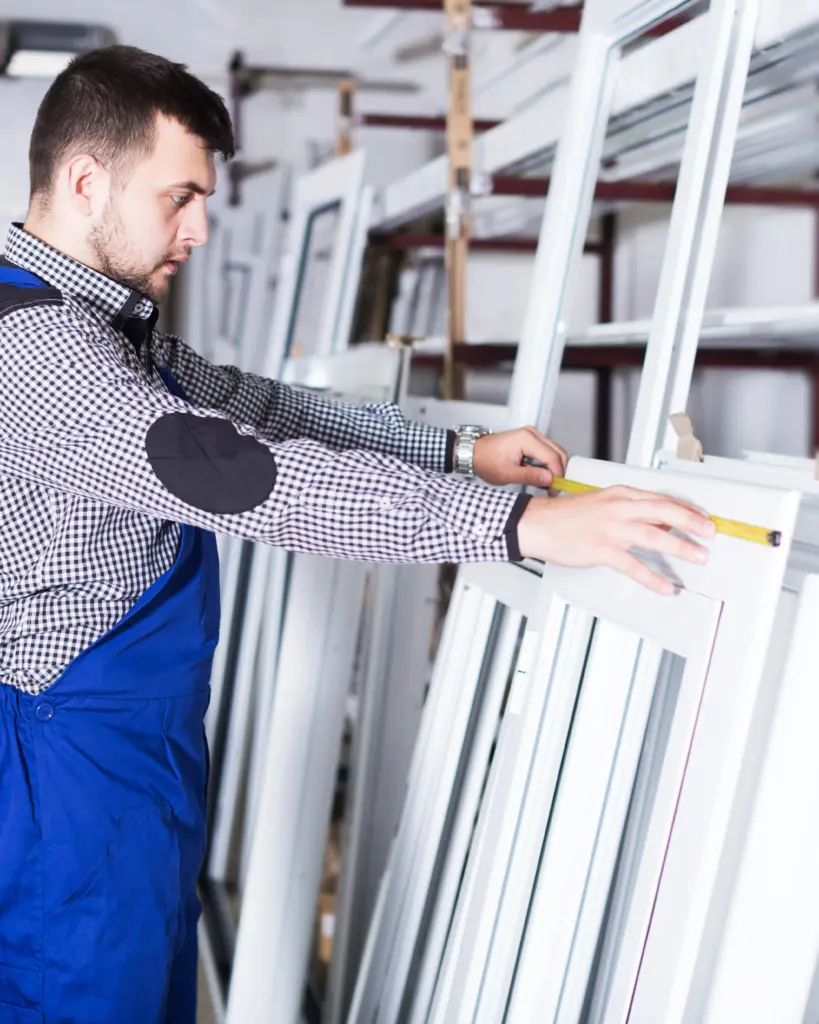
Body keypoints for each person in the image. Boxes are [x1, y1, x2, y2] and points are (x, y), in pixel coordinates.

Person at [0, 44, 715, 1024]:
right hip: (66, 787)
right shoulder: (40, 356)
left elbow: (266, 412)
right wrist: (524, 526)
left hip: (126, 770)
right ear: (86, 181)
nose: (202, 228)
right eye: (180, 197)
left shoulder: (101, 327)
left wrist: (459, 453)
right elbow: (251, 477)